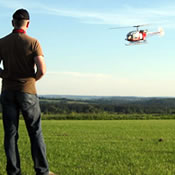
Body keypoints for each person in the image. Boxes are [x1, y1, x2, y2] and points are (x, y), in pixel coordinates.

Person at [0, 9, 54, 175]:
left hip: (7, 91)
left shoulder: (2, 42)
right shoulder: (33, 42)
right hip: (28, 91)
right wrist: (32, 80)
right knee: (35, 132)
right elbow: (42, 69)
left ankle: (13, 171)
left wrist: (4, 74)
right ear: (28, 24)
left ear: (12, 23)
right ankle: (42, 171)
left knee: (10, 133)